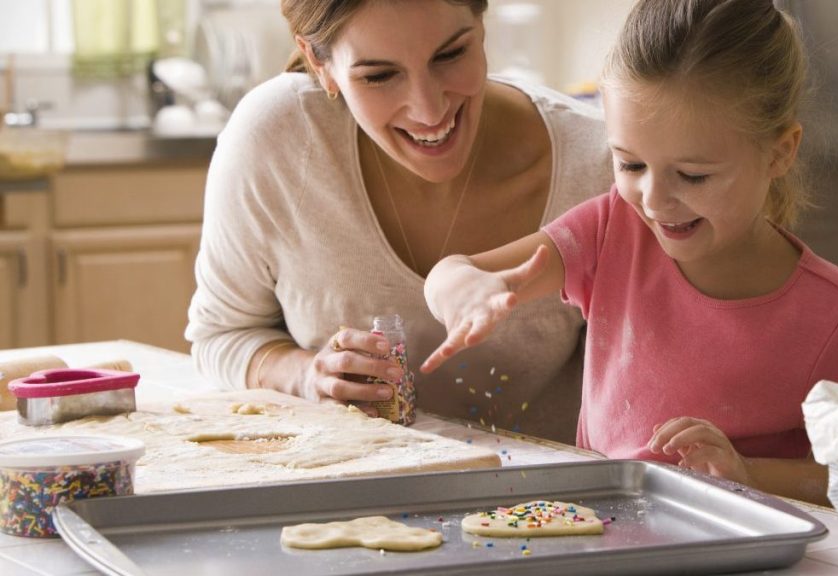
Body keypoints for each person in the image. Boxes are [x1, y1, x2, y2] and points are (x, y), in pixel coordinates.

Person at [421, 0, 838, 505]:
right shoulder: (611, 231)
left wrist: (745, 472)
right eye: (631, 164)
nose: (654, 200)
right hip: (603, 535)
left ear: (780, 152)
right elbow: (456, 272)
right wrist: (465, 289)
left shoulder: (837, 316)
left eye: (693, 175)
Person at [185, 0, 612, 443]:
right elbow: (221, 336)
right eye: (379, 76)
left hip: (556, 505)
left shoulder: (604, 164)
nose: (428, 110)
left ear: (481, 25)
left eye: (450, 55)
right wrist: (308, 377)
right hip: (344, 495)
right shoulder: (277, 138)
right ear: (320, 62)